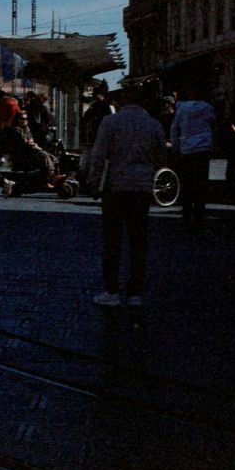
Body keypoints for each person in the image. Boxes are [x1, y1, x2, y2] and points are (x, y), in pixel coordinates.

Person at [88, 84, 167, 307]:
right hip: (141, 188)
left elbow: (98, 155)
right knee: (138, 241)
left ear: (123, 100)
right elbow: (161, 158)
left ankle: (112, 291)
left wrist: (94, 184)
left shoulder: (110, 123)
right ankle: (135, 293)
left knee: (112, 240)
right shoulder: (154, 125)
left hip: (115, 187)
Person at [171, 86, 218, 231]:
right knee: (201, 184)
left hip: (186, 149)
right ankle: (199, 216)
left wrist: (175, 147)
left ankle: (186, 215)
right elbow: (213, 122)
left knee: (187, 184)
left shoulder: (181, 109)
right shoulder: (206, 107)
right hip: (202, 149)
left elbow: (175, 128)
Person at [7, 111, 60, 177]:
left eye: (26, 119)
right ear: (17, 120)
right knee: (44, 155)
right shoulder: (16, 130)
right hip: (22, 154)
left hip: (30, 152)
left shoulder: (27, 130)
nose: (24, 121)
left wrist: (34, 145)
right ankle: (50, 175)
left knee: (52, 157)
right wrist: (35, 146)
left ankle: (55, 175)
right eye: (22, 119)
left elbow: (31, 141)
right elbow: (27, 143)